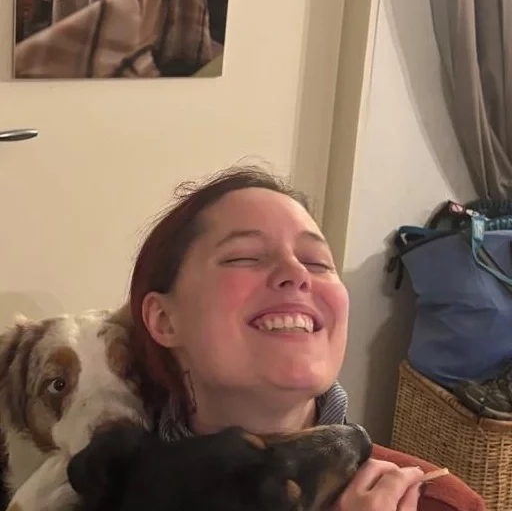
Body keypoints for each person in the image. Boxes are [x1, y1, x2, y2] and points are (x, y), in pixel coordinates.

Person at [128, 165, 425, 510]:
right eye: (245, 257)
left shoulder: (437, 502)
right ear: (164, 320)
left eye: (317, 263)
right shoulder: (97, 490)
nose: (297, 273)